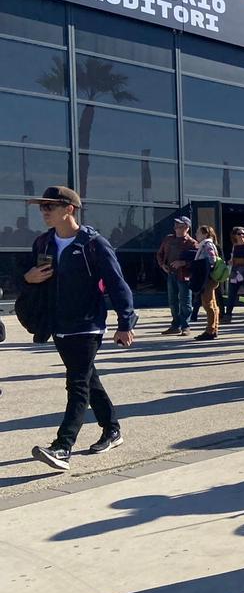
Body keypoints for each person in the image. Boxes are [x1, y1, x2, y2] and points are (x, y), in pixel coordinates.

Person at [22, 186, 136, 471]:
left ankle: (62, 447)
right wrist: (29, 278)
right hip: (58, 325)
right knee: (87, 379)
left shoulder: (93, 244)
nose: (44, 212)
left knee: (76, 384)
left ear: (69, 209)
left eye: (50, 206)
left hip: (87, 325)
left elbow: (117, 284)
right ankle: (112, 429)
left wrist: (125, 323)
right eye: (42, 207)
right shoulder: (43, 243)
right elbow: (28, 277)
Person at [155, 216, 197, 336]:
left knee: (185, 301)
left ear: (187, 227)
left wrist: (183, 263)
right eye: (176, 225)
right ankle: (175, 325)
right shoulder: (168, 239)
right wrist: (162, 265)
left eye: (180, 226)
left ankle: (185, 326)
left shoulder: (192, 243)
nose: (177, 228)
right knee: (172, 301)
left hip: (184, 275)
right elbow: (159, 254)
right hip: (171, 274)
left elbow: (198, 261)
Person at [192, 225, 222, 341]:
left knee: (208, 304)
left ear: (205, 234)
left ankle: (210, 330)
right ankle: (214, 328)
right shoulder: (205, 245)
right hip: (209, 278)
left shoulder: (207, 245)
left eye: (198, 233)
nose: (196, 235)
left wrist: (204, 271)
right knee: (212, 304)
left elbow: (212, 259)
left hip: (207, 279)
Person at [224, 227, 244, 324]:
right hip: (235, 272)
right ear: (234, 236)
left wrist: (240, 261)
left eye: (243, 233)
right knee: (231, 295)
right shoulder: (235, 246)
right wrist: (231, 261)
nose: (242, 235)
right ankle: (228, 315)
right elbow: (233, 258)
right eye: (239, 234)